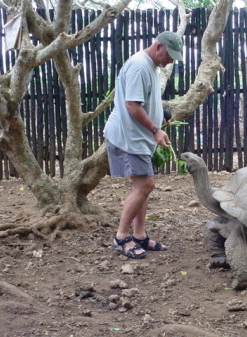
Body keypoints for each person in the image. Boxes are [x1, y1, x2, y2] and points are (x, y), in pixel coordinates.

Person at [103, 31, 183, 259]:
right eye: (170, 55)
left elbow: (144, 100)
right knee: (145, 185)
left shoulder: (150, 66)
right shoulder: (140, 65)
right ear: (158, 46)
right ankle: (120, 237)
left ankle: (139, 235)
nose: (171, 61)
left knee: (143, 188)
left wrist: (162, 114)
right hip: (130, 137)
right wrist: (155, 130)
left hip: (138, 137)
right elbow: (132, 105)